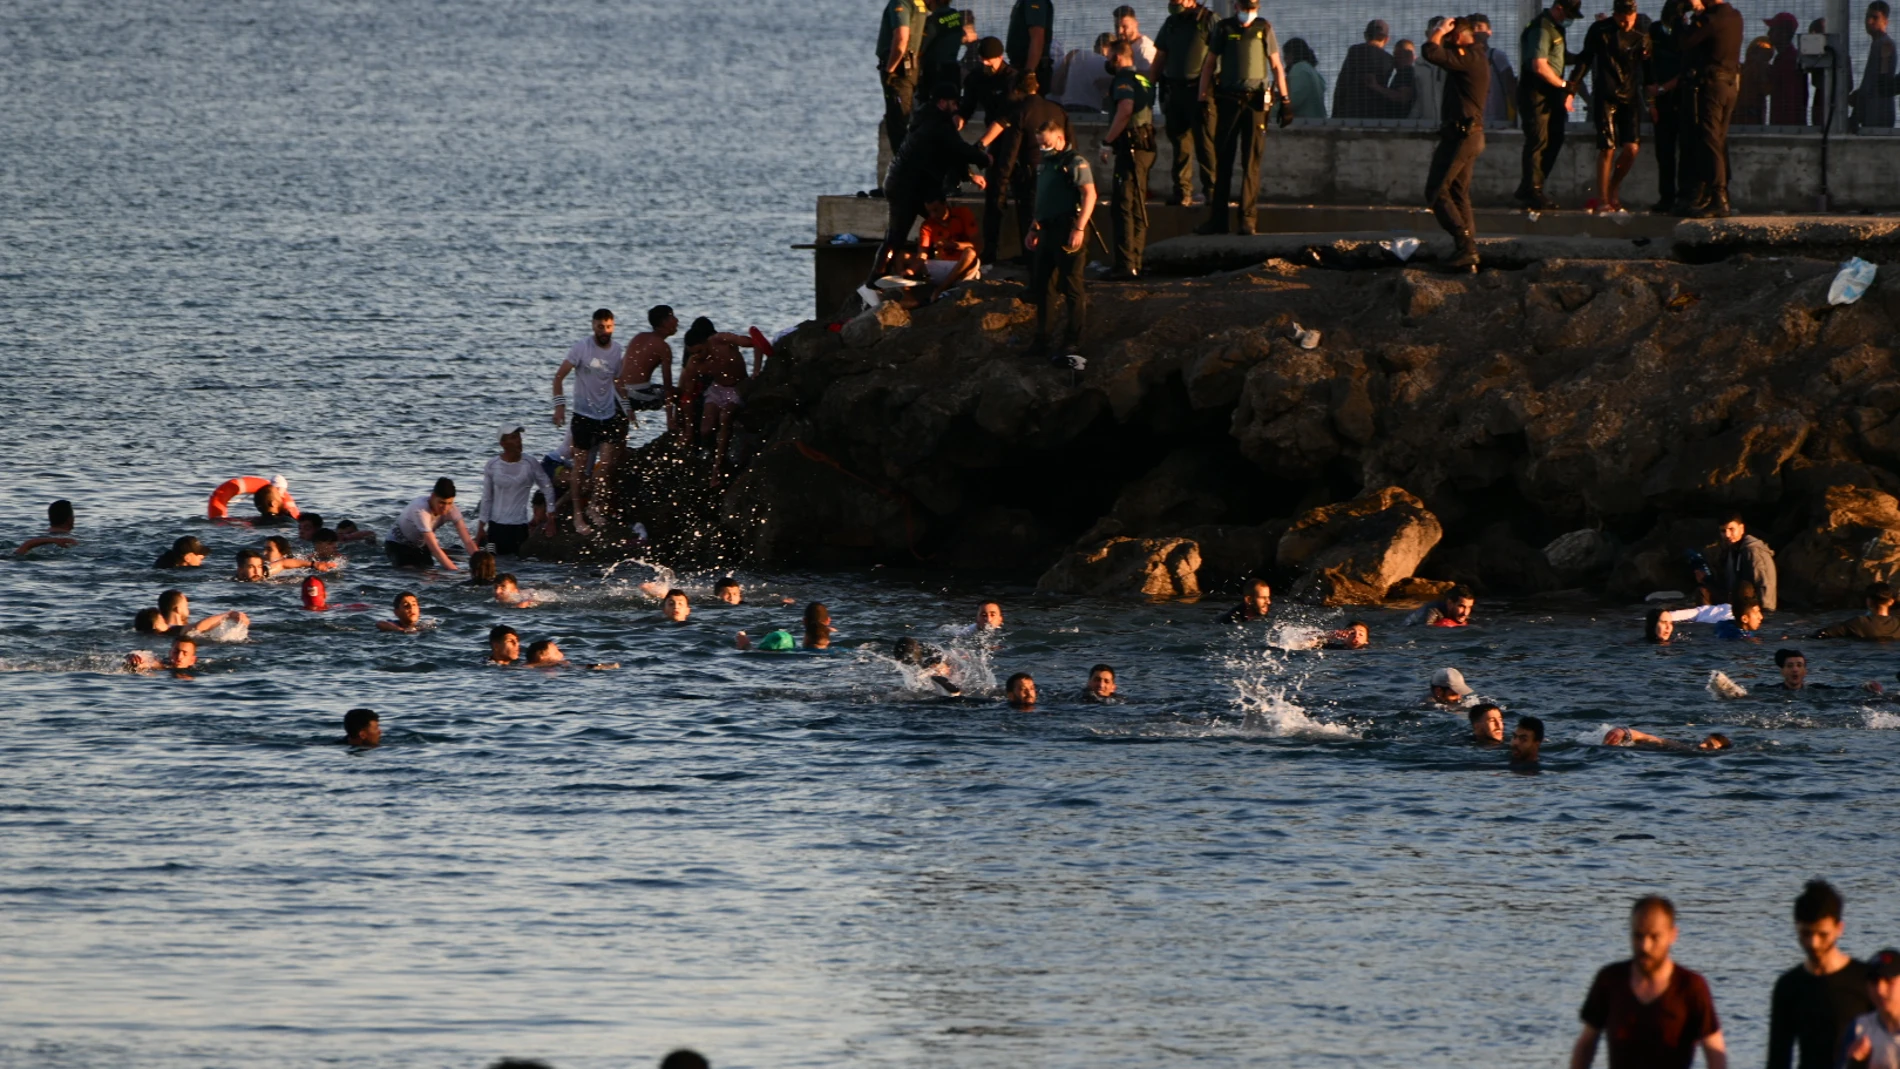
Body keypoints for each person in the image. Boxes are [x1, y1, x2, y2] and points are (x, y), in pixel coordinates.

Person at [1572, 896, 1728, 1069]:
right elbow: (1586, 1044)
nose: (1645, 946)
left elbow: (1715, 1052)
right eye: (1638, 936)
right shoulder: (1610, 980)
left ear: (1672, 935)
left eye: (1654, 937)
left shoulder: (1691, 987)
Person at [869, 83, 992, 286]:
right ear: (942, 103)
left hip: (901, 182)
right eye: (954, 104)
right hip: (909, 186)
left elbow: (950, 152)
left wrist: (969, 175)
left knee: (928, 225)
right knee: (903, 233)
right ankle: (877, 279)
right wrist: (985, 160)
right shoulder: (939, 124)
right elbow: (958, 148)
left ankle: (938, 266)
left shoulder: (925, 119)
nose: (956, 108)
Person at [1194, 0, 1291, 238]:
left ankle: (1247, 220)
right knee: (1223, 160)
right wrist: (1202, 97)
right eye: (1245, 7)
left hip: (1256, 103)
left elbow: (1276, 65)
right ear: (1236, 6)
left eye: (1253, 8)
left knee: (1251, 161)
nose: (1248, 12)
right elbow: (1209, 64)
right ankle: (1218, 220)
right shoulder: (1224, 28)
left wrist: (1286, 100)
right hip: (1228, 100)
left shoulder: (1263, 28)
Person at [1765, 880, 1875, 1069]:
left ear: (1839, 928)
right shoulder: (1788, 986)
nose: (1813, 943)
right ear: (1796, 927)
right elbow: (1778, 1059)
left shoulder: (1867, 980)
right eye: (1805, 933)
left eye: (1822, 934)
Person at [1423, 16, 1491, 273]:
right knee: (1458, 193)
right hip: (1469, 135)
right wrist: (1441, 33)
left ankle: (1465, 246)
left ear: (1462, 36)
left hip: (1462, 137)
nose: (1447, 41)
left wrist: (1438, 33)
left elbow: (1431, 52)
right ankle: (1467, 250)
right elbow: (1440, 53)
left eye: (1452, 36)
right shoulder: (1471, 56)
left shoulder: (1470, 58)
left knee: (1436, 191)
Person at [1024, 117, 1095, 359]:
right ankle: (1042, 340)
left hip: (1067, 228)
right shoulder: (1044, 164)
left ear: (1060, 139)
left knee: (1072, 286)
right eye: (1040, 144)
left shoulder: (1073, 162)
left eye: (1046, 143)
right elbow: (1042, 199)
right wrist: (1034, 227)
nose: (1043, 148)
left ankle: (1072, 341)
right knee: (1043, 287)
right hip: (1046, 230)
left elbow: (1089, 194)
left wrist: (1079, 228)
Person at [551, 309, 627, 536]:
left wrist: (628, 409)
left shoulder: (617, 350)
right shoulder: (581, 348)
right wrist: (559, 407)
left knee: (605, 465)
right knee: (580, 467)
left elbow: (617, 381)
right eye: (600, 327)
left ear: (613, 326)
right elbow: (559, 377)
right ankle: (577, 514)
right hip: (584, 416)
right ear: (593, 326)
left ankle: (595, 507)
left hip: (608, 415)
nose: (605, 331)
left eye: (609, 327)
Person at [1573, 0, 1651, 213]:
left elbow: (1649, 66)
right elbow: (1585, 60)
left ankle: (1613, 186)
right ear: (1614, 15)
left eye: (1630, 20)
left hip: (1630, 95)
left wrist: (1652, 99)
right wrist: (1571, 91)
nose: (1626, 25)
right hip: (1606, 94)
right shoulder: (1601, 29)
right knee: (1607, 147)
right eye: (1622, 20)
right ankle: (1603, 199)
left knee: (1632, 148)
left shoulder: (1642, 29)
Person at [1675, 0, 1743, 217]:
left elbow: (1685, 42)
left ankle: (1718, 197)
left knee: (1710, 138)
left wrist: (1682, 17)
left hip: (1712, 85)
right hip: (1729, 84)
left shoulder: (1711, 19)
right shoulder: (1734, 16)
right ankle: (1715, 195)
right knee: (1718, 139)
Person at [678, 318, 766, 485]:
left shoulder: (722, 340)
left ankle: (717, 468)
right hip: (717, 388)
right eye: (693, 353)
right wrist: (688, 429)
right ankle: (711, 453)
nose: (697, 356)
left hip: (739, 385)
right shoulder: (694, 364)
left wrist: (756, 370)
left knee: (725, 416)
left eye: (699, 351)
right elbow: (687, 397)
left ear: (706, 343)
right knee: (705, 429)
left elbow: (756, 342)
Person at [1517, 0, 1583, 210]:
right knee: (1538, 140)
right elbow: (1539, 65)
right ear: (1559, 8)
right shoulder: (1541, 28)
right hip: (1537, 92)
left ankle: (1531, 186)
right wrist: (1564, 84)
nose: (1569, 19)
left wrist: (1582, 57)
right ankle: (1532, 190)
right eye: (1568, 13)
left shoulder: (1555, 29)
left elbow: (1559, 58)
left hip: (1551, 94)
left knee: (1555, 138)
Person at [1153, 0, 1219, 205]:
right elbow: (1160, 56)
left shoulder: (1208, 20)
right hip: (1176, 91)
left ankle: (1212, 192)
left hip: (1202, 92)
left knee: (1205, 144)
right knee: (1180, 143)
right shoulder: (1171, 23)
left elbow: (1221, 53)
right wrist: (1149, 86)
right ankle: (1182, 191)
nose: (1174, 3)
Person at [1101, 39, 1157, 279]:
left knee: (1123, 206)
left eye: (1109, 58)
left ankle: (1126, 265)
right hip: (1146, 146)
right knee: (1136, 206)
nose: (1107, 63)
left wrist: (1107, 141)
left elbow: (1125, 110)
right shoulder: (1144, 79)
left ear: (1118, 58)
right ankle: (1136, 260)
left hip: (1130, 148)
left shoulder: (1123, 80)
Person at [479, 425, 558, 555]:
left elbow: (547, 487)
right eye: (514, 438)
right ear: (503, 443)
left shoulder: (530, 463)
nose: (519, 441)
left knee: (519, 568)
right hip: (495, 527)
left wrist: (551, 518)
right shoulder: (492, 465)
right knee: (493, 565)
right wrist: (481, 527)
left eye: (519, 437)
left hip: (519, 527)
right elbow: (487, 497)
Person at [386, 478, 478, 571]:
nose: (445, 508)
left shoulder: (452, 510)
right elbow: (435, 549)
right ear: (432, 496)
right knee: (412, 573)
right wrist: (456, 572)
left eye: (449, 503)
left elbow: (468, 541)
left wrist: (479, 562)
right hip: (397, 544)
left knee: (429, 570)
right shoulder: (421, 510)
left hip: (421, 545)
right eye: (441, 503)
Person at [617, 305, 679, 434]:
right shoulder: (663, 347)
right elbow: (668, 386)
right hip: (636, 393)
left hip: (619, 391)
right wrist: (669, 419)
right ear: (664, 322)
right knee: (680, 394)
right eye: (673, 317)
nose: (677, 320)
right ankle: (680, 429)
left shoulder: (639, 336)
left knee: (619, 435)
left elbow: (621, 369)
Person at [878, 0, 928, 158]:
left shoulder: (901, 2)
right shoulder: (918, 2)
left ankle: (904, 175)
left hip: (899, 73)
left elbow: (901, 39)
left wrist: (890, 70)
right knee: (905, 120)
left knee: (898, 125)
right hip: (910, 70)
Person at [1701, 514, 1777, 610]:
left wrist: (1765, 612)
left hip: (1752, 606)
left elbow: (1764, 583)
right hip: (1735, 601)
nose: (1727, 535)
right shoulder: (1732, 549)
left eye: (1731, 529)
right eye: (1723, 531)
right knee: (1703, 591)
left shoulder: (1753, 551)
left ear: (1741, 528)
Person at [1839, 949, 1900, 1069]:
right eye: (1874, 982)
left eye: (1889, 981)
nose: (1880, 990)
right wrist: (1856, 1064)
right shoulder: (1859, 1029)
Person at [1333, 20, 1399, 118]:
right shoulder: (1389, 60)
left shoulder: (1354, 51)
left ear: (1365, 35)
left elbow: (1342, 83)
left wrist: (1335, 115)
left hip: (1349, 113)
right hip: (1375, 114)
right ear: (1386, 39)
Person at [1856, 1, 1897, 129]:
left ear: (1885, 21)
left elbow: (1883, 81)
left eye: (1875, 17)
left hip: (1879, 114)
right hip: (1872, 111)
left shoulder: (1885, 45)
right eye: (1867, 17)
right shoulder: (1878, 44)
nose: (1869, 22)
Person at [1471, 14, 1520, 123]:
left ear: (1489, 32)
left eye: (1479, 27)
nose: (1475, 31)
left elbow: (1510, 85)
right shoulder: (1462, 58)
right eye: (1472, 27)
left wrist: (1517, 114)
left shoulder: (1496, 56)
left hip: (1497, 118)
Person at [919, 0, 975, 93]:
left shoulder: (932, 21)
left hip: (935, 72)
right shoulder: (956, 15)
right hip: (953, 69)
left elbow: (921, 47)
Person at [1815, 583, 1900, 639]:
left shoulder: (1858, 622)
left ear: (1869, 602)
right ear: (1891, 602)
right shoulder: (1898, 624)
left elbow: (1822, 634)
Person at [1765, 13, 1806, 125]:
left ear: (1783, 34)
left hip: (1786, 126)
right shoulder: (1787, 57)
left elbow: (1789, 98)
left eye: (1772, 30)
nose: (1768, 34)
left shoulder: (1788, 60)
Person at [1006, 0, 1054, 89]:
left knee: (1029, 102)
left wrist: (1028, 75)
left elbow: (1037, 38)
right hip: (1021, 67)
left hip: (1030, 69)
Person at [1410, 20, 1449, 124]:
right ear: (1427, 34)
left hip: (1449, 123)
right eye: (1435, 32)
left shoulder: (1452, 63)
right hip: (1425, 123)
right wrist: (1411, 121)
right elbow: (1419, 97)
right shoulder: (1419, 64)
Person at [1281, 38, 1328, 120]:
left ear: (1291, 55)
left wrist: (1271, 110)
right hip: (1319, 121)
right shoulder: (1312, 71)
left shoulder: (1299, 70)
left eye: (1286, 55)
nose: (1284, 59)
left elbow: (1293, 102)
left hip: (1306, 123)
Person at [1600, 726, 1732, 749]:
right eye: (1704, 742)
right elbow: (1652, 738)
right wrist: (1623, 731)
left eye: (1710, 746)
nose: (1702, 745)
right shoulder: (1681, 747)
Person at [1112, 5, 1157, 74]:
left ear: (1136, 24)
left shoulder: (1144, 49)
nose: (1119, 31)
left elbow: (1150, 76)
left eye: (1124, 26)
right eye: (1116, 27)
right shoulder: (1123, 47)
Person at [127, 634, 197, 673]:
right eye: (176, 652)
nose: (179, 656)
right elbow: (150, 662)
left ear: (192, 660)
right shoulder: (162, 665)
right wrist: (135, 659)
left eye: (185, 653)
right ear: (170, 653)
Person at [1407, 586, 1475, 626]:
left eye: (1469, 607)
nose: (1465, 613)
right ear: (1450, 603)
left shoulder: (1460, 615)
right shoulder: (1433, 611)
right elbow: (1425, 632)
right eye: (1461, 606)